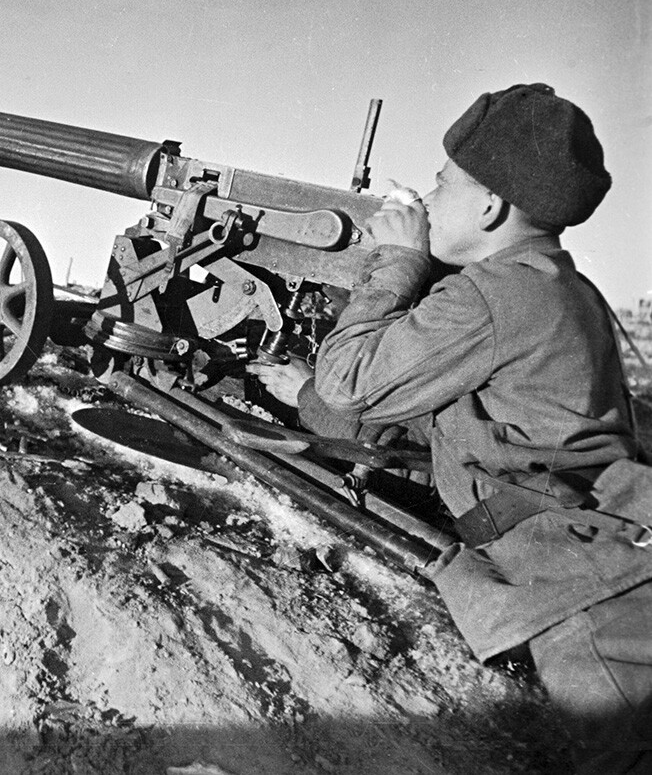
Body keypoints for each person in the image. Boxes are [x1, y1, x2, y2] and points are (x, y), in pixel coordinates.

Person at [249, 83, 652, 773]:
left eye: (440, 185)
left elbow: (350, 380)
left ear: (490, 206)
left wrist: (396, 262)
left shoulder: (494, 295)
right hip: (605, 555)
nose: (426, 201)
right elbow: (458, 431)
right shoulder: (555, 284)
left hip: (593, 599)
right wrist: (306, 399)